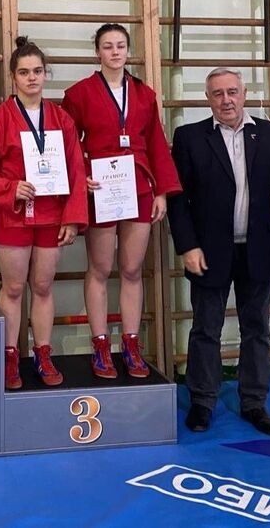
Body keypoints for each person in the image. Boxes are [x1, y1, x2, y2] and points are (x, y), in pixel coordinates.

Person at [167, 67, 270, 435]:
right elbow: (178, 200)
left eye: (232, 92)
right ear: (208, 99)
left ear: (243, 94)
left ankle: (254, 403)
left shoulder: (269, 134)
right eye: (217, 94)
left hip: (258, 249)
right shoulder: (189, 137)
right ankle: (202, 402)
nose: (226, 100)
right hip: (208, 252)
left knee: (256, 329)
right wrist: (187, 246)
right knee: (205, 329)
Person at [62, 23, 181, 379]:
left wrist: (161, 191)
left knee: (131, 270)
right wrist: (82, 174)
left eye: (120, 46)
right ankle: (100, 345)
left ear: (128, 51)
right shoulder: (79, 94)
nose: (114, 52)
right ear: (97, 52)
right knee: (99, 269)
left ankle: (131, 344)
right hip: (101, 187)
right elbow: (68, 142)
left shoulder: (144, 94)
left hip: (139, 187)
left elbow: (156, 143)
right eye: (107, 46)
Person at [0, 37, 87, 389]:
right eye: (24, 72)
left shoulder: (62, 119)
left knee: (43, 286)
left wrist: (72, 217)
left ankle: (43, 353)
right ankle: (10, 356)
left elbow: (76, 168)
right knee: (12, 288)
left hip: (52, 215)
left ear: (45, 74)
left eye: (37, 71)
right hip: (13, 215)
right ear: (13, 77)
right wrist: (10, 188)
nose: (32, 78)